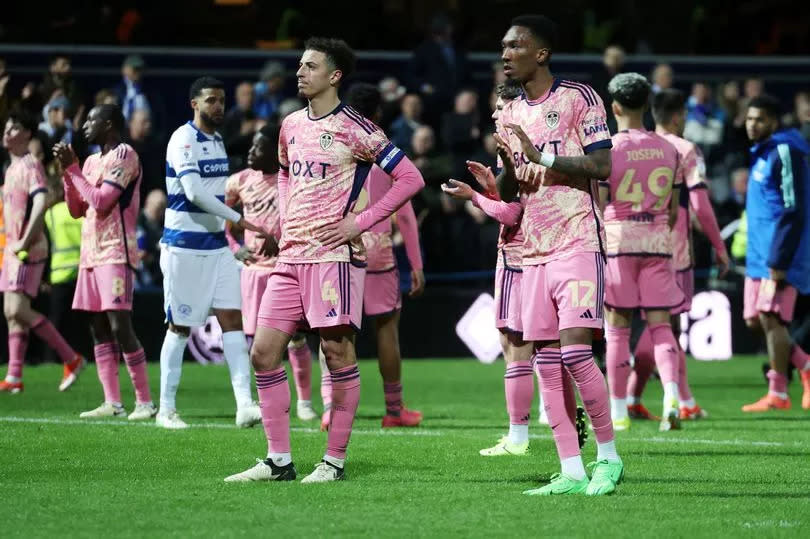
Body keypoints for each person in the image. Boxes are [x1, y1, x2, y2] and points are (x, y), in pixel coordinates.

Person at [225, 37, 424, 484]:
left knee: (337, 353)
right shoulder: (290, 124)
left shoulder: (358, 128)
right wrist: (284, 221)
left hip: (332, 258)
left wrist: (362, 222)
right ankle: (278, 461)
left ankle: (332, 462)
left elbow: (410, 178)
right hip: (290, 255)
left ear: (334, 76)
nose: (299, 72)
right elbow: (281, 172)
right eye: (299, 65)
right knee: (263, 353)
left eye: (309, 66)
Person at [496, 14, 622, 496]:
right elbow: (516, 189)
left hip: (576, 240)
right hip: (532, 250)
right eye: (503, 47)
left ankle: (608, 459)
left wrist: (543, 156)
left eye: (515, 46)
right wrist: (498, 179)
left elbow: (605, 166)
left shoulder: (578, 98)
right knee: (545, 361)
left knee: (574, 352)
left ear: (541, 53)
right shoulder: (508, 115)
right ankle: (571, 469)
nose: (506, 54)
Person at [443, 80, 587, 455]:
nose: (493, 114)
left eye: (499, 107)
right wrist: (494, 181)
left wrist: (475, 196)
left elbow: (512, 212)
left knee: (518, 345)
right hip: (527, 255)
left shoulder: (526, 151)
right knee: (536, 347)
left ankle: (521, 437)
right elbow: (510, 201)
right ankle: (559, 421)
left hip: (523, 260)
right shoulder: (516, 152)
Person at [158, 77, 266, 429]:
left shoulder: (217, 140)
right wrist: (238, 219)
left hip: (216, 247)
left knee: (232, 320)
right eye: (210, 101)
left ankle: (245, 404)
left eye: (221, 101)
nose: (217, 107)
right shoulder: (183, 139)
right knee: (180, 326)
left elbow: (215, 193)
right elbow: (192, 192)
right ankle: (166, 410)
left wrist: (229, 232)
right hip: (184, 246)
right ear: (194, 104)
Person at [626, 89, 731, 422]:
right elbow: (699, 204)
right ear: (678, 117)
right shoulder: (685, 149)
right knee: (665, 324)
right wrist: (719, 245)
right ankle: (676, 399)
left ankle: (634, 397)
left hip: (630, 244)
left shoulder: (636, 146)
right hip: (673, 249)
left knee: (653, 324)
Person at [53, 104, 157, 420]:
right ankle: (112, 402)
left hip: (116, 250)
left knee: (119, 326)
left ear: (108, 124)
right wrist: (67, 174)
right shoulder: (91, 161)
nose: (84, 126)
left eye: (90, 121)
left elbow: (101, 201)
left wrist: (73, 171)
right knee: (98, 328)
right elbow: (75, 209)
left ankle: (144, 402)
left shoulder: (125, 155)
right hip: (91, 253)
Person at [597, 73, 684, 432]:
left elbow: (600, 204)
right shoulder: (669, 148)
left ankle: (617, 411)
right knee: (662, 326)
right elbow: (676, 209)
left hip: (619, 243)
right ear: (648, 105)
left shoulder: (610, 150)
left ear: (614, 106)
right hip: (658, 243)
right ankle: (671, 397)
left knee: (617, 330)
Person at [343, 82, 426, 429]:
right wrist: (416, 264)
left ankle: (334, 411)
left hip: (339, 246)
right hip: (377, 249)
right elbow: (404, 214)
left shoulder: (333, 147)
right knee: (386, 330)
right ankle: (394, 411)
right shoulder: (385, 152)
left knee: (336, 332)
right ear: (377, 114)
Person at [224, 124, 318, 422]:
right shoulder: (237, 182)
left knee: (297, 339)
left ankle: (304, 402)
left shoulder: (292, 180)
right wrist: (235, 248)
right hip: (253, 273)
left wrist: (281, 238)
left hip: (286, 269)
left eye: (257, 147)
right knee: (259, 344)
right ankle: (268, 403)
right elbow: (221, 224)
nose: (251, 152)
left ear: (274, 152)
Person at [0, 108, 85, 393]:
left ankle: (71, 358)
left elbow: (41, 201)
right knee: (12, 314)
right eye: (7, 128)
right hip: (14, 249)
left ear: (27, 134)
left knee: (16, 308)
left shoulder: (29, 165)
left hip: (28, 249)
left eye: (14, 128)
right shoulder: (11, 169)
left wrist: (24, 241)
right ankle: (14, 377)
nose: (7, 132)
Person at [740, 94, 810, 412]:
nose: (751, 124)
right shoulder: (761, 152)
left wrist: (779, 259)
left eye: (759, 119)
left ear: (773, 122)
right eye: (750, 118)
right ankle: (806, 365)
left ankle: (778, 391)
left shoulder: (785, 150)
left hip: (777, 255)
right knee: (755, 320)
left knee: (771, 317)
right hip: (757, 255)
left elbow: (793, 209)